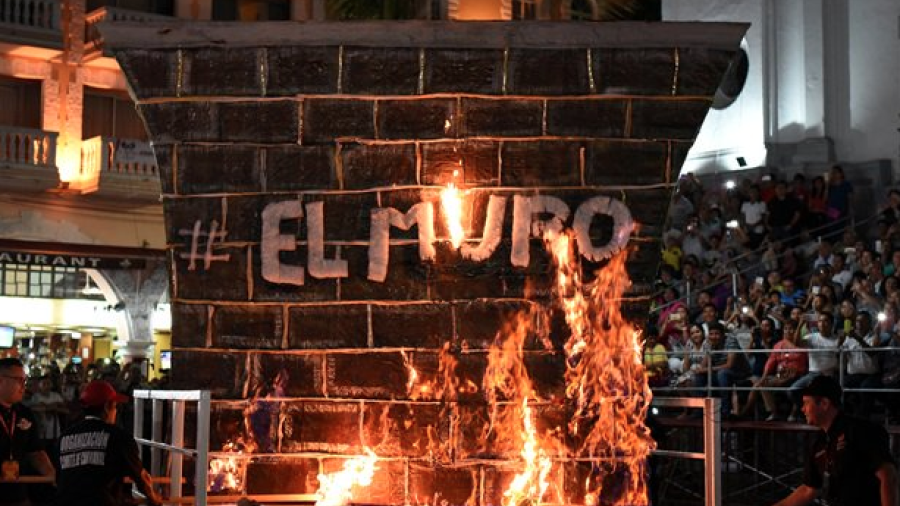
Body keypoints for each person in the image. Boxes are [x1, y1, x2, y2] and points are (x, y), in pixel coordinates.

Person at [771, 376, 898, 506]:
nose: (802, 409)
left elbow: (888, 476)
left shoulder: (861, 431)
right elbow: (808, 490)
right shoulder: (818, 441)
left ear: (825, 404)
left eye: (806, 403)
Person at [55, 380, 162, 506]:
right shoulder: (119, 437)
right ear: (107, 407)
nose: (116, 412)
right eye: (115, 406)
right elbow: (140, 476)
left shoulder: (64, 437)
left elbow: (60, 477)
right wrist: (154, 499)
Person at [0, 358, 55, 506]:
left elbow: (35, 451)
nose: (24, 386)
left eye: (25, 380)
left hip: (17, 492)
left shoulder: (24, 413)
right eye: (19, 380)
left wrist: (51, 474)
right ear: (1, 381)